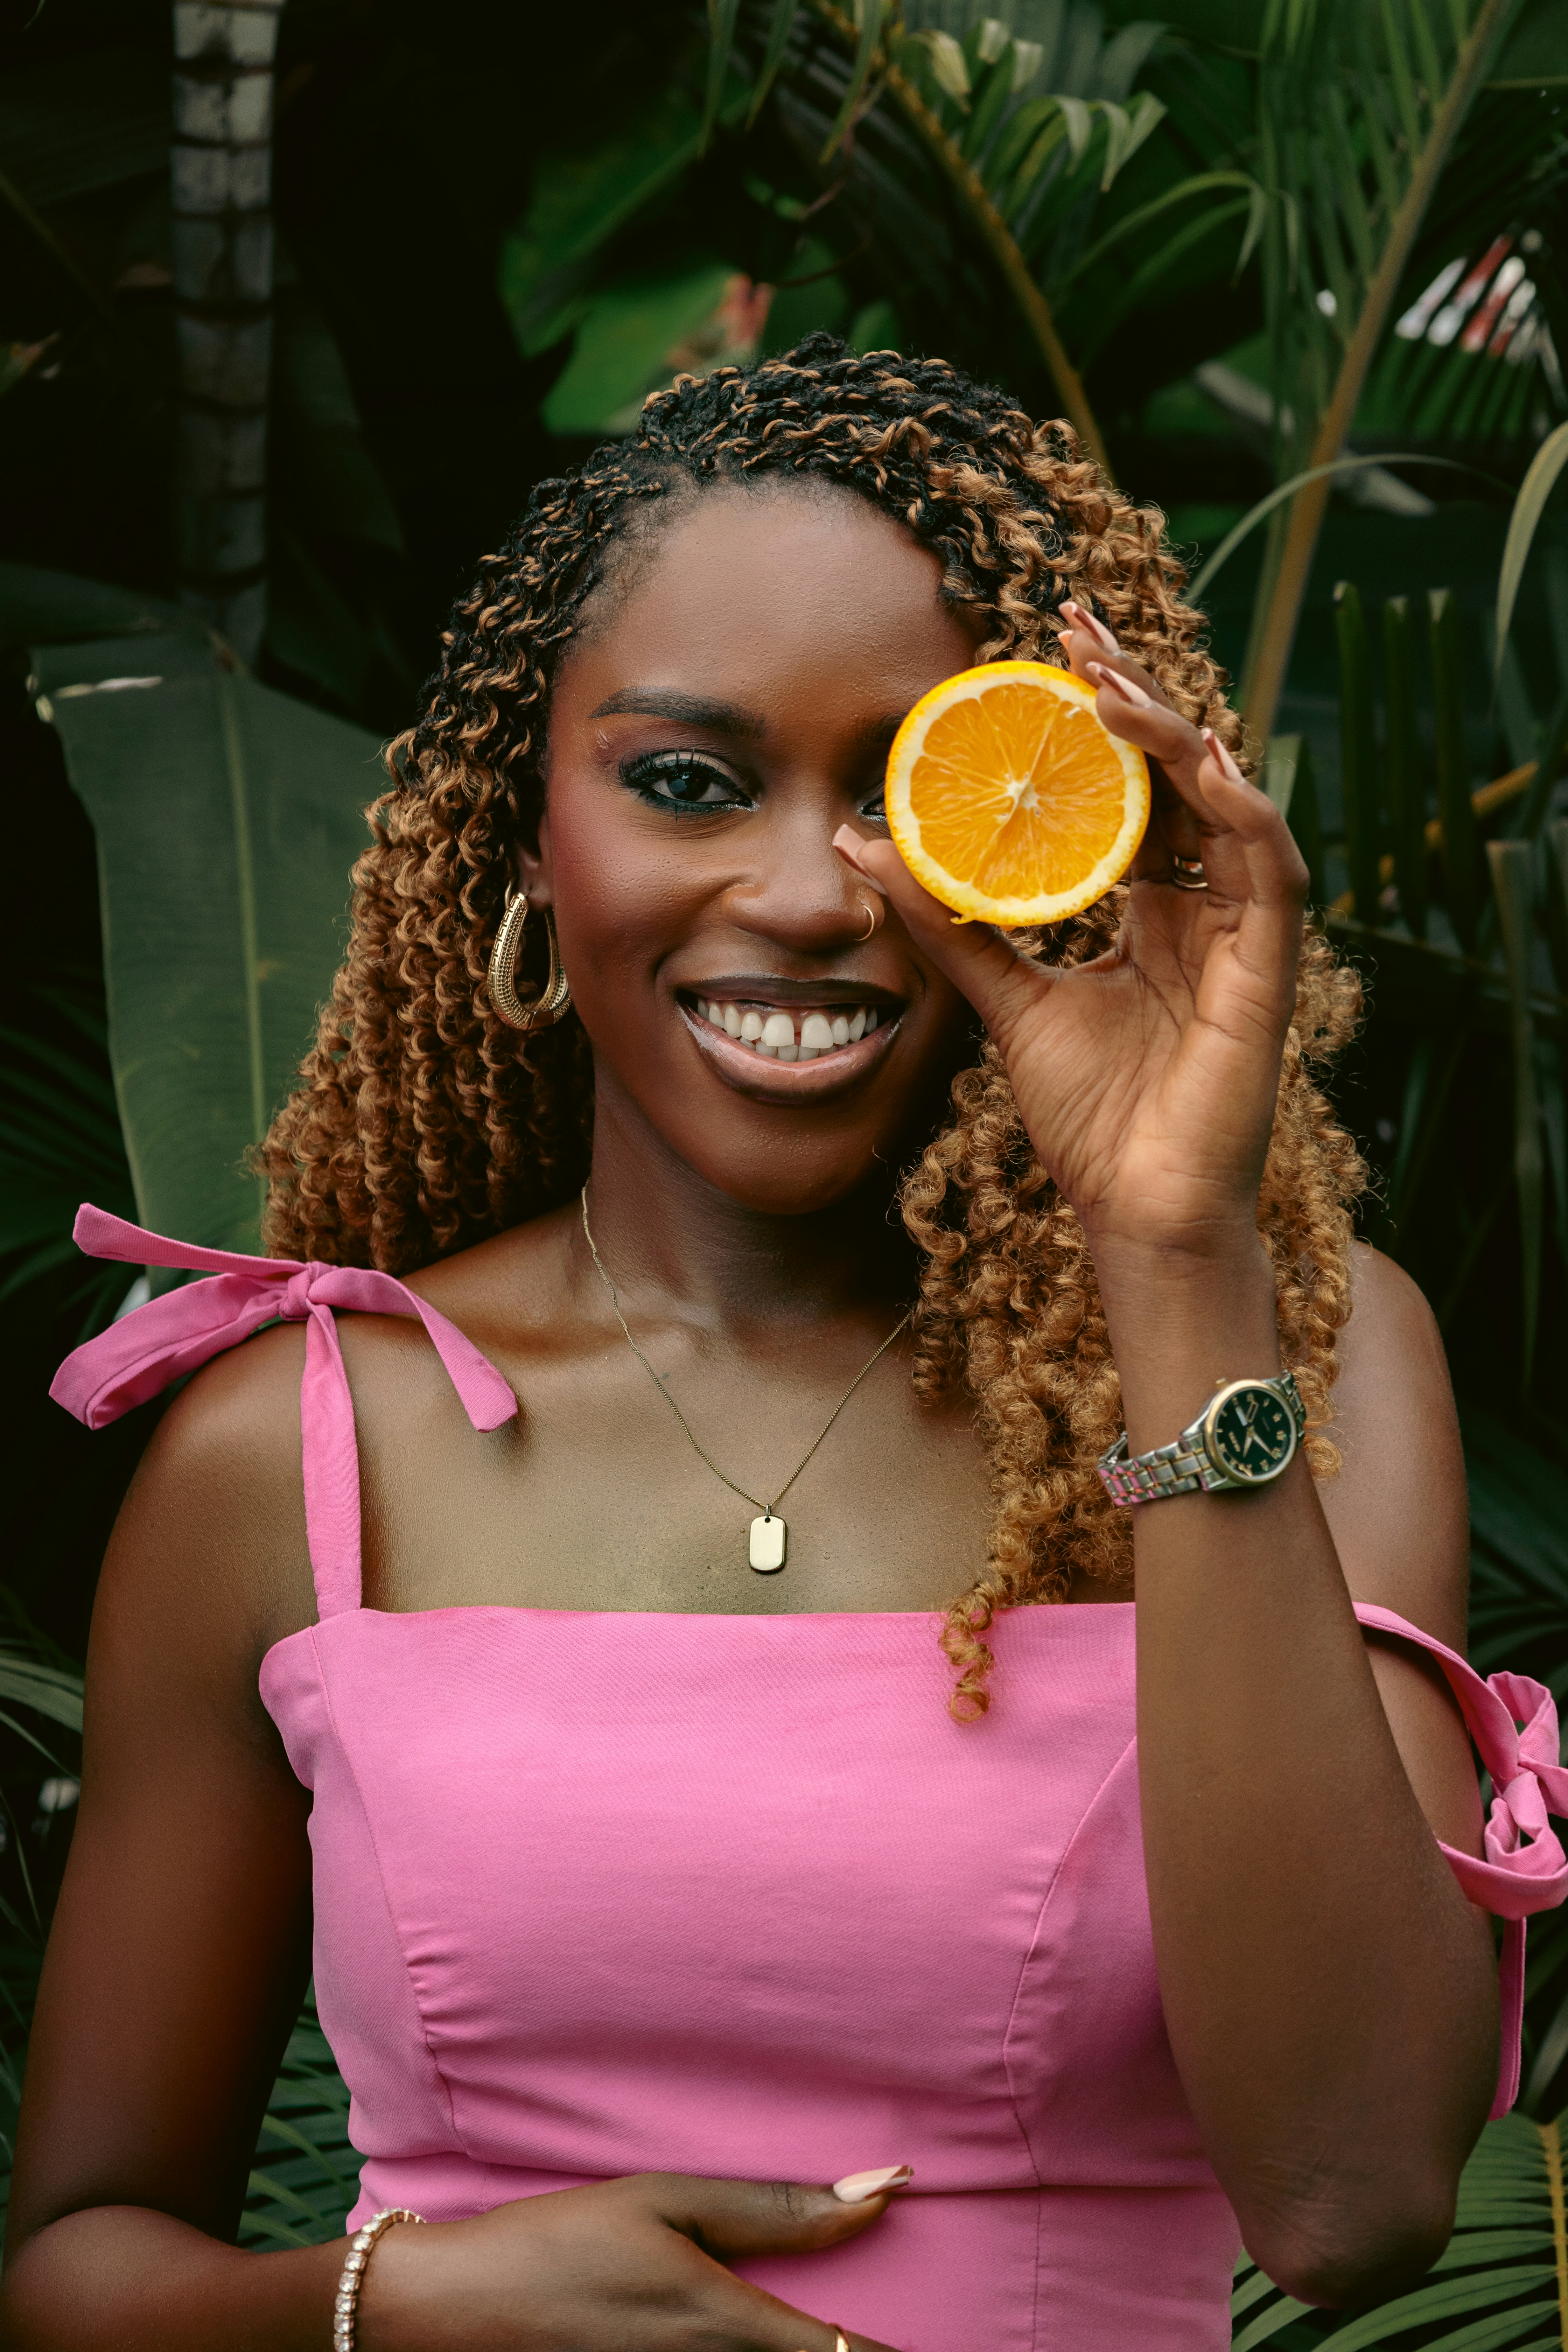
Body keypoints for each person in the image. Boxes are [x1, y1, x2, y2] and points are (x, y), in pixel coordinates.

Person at [6, 335, 1564, 2352]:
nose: (812, 893)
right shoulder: (294, 1446)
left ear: (1060, 835)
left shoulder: (1307, 1369)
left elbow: (1355, 2197)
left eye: (903, 795)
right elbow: (75, 2269)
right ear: (524, 832)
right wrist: (394, 2305)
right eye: (688, 782)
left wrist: (1175, 1256)